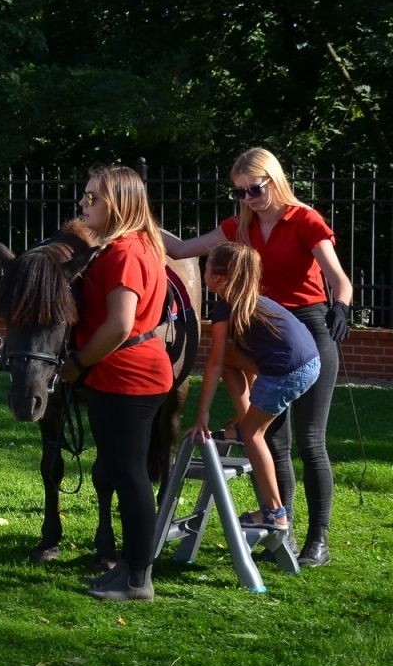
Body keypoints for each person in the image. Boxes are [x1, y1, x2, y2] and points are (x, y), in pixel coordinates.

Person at [163, 147, 351, 567]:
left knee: (311, 439)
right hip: (264, 330)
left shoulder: (304, 219)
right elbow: (181, 250)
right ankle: (279, 527)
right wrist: (136, 217)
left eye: (254, 189)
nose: (246, 198)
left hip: (309, 328)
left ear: (274, 179)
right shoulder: (240, 225)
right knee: (271, 439)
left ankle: (317, 540)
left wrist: (341, 305)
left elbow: (339, 278)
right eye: (240, 192)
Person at [58, 165, 174, 602]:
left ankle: (138, 580)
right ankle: (129, 567)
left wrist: (77, 364)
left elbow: (120, 325)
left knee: (129, 477)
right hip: (129, 374)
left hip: (127, 377)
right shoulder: (140, 245)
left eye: (93, 198)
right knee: (126, 474)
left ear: (120, 204)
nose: (83, 205)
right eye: (85, 196)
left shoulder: (126, 252)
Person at [186, 243, 321, 531]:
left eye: (206, 265)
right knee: (234, 358)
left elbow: (215, 363)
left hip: (289, 370)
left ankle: (275, 512)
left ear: (219, 278)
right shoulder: (247, 299)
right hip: (307, 360)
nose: (203, 270)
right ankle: (243, 421)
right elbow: (236, 359)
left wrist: (202, 417)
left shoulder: (226, 307)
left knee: (252, 434)